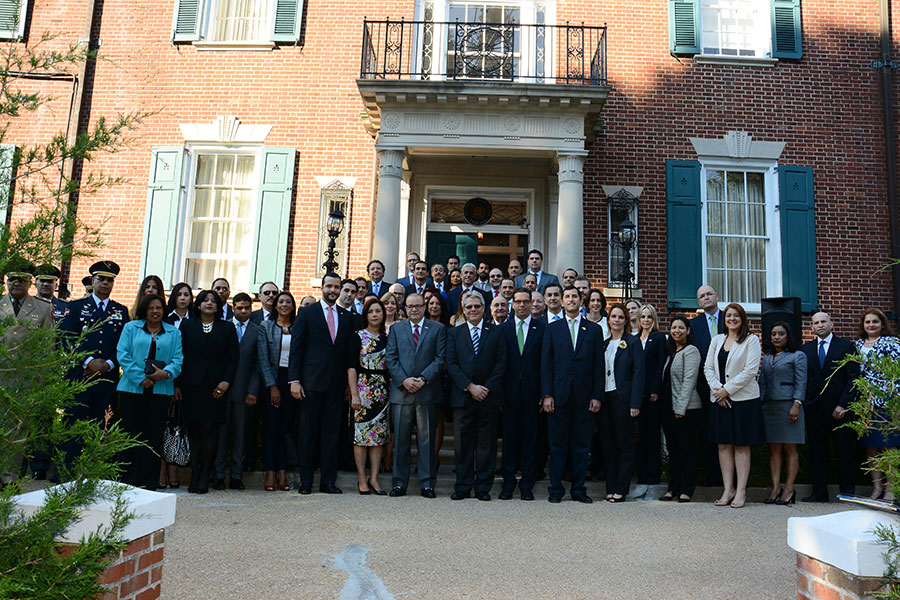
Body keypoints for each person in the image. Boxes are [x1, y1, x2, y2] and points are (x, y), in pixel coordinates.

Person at [288, 273, 356, 495]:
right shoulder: (307, 313)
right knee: (307, 434)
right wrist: (294, 380)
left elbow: (347, 355)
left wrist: (348, 385)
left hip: (336, 386)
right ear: (322, 287)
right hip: (310, 383)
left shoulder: (346, 317)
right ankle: (306, 482)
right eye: (329, 286)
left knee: (332, 434)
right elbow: (296, 349)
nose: (333, 290)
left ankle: (328, 481)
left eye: (337, 287)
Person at [59, 261, 130, 469]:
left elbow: (124, 344)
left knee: (101, 426)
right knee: (73, 424)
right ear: (92, 281)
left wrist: (108, 363)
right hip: (80, 376)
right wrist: (89, 361)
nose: (106, 283)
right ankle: (66, 470)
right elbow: (66, 338)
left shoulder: (121, 311)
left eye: (110, 280)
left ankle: (92, 470)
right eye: (101, 279)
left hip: (106, 380)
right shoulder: (76, 307)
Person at [541, 286, 605, 503]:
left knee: (581, 446)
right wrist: (547, 394)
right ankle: (556, 489)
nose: (570, 299)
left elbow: (598, 366)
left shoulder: (594, 330)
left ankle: (578, 490)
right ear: (561, 300)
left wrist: (597, 395)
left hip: (584, 397)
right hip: (558, 397)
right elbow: (546, 364)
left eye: (574, 296)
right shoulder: (552, 328)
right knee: (557, 445)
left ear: (581, 300)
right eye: (566, 296)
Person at [116, 294, 182, 490]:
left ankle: (147, 482)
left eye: (159, 308)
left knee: (153, 436)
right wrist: (141, 378)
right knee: (130, 433)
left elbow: (178, 360)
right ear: (145, 309)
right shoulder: (131, 328)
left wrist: (165, 373)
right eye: (152, 308)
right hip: (132, 390)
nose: (155, 311)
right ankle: (127, 479)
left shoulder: (174, 333)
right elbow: (123, 354)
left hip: (161, 390)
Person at [445, 291, 506, 501]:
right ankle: (462, 487)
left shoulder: (496, 332)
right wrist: (470, 387)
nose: (473, 310)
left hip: (488, 398)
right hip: (463, 397)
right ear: (463, 309)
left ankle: (483, 488)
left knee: (486, 445)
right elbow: (451, 364)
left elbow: (501, 363)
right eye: (469, 307)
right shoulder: (454, 333)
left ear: (483, 308)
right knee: (462, 445)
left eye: (476, 307)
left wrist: (485, 388)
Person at [176, 290, 239, 494]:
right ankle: (195, 474)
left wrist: (226, 382)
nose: (209, 303)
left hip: (217, 387)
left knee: (211, 430)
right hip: (192, 385)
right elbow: (180, 355)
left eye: (214, 301)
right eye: (205, 300)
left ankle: (205, 476)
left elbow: (233, 358)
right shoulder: (187, 325)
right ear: (199, 304)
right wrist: (177, 384)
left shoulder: (227, 327)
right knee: (194, 431)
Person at [385, 293, 446, 498]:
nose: (414, 310)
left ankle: (427, 483)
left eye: (418, 306)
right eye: (410, 306)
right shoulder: (396, 329)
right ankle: (399, 483)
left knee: (426, 441)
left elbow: (440, 358)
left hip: (427, 392)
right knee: (401, 441)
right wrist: (404, 380)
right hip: (402, 393)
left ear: (424, 307)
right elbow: (391, 358)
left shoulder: (437, 329)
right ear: (405, 307)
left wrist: (423, 379)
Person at [704, 302, 764, 509]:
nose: (732, 319)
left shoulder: (752, 340)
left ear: (742, 319)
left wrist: (726, 390)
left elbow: (750, 371)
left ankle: (741, 491)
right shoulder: (717, 340)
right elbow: (708, 368)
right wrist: (718, 390)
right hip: (719, 400)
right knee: (723, 444)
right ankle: (728, 489)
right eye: (729, 315)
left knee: (740, 444)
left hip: (743, 400)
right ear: (724, 319)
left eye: (736, 316)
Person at [800, 312, 858, 502]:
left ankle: (847, 493)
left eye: (823, 321)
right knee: (817, 452)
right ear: (812, 328)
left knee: (844, 451)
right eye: (816, 323)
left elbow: (853, 378)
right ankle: (819, 493)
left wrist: (843, 405)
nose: (820, 325)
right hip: (814, 409)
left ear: (831, 324)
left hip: (839, 410)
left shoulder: (846, 346)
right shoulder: (806, 349)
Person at [499, 288, 546, 500]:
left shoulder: (542, 329)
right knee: (509, 441)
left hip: (532, 393)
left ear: (531, 304)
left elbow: (546, 364)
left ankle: (527, 486)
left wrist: (544, 393)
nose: (521, 305)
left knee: (530, 441)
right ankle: (508, 485)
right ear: (513, 305)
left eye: (525, 302)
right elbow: (499, 364)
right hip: (508, 394)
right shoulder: (503, 329)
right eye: (517, 302)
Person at [213, 292, 259, 491]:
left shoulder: (258, 331)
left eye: (247, 308)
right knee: (220, 435)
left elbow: (258, 364)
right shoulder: (223, 327)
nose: (243, 311)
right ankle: (219, 475)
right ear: (232, 308)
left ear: (251, 309)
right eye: (239, 308)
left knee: (240, 435)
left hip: (243, 390)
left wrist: (252, 391)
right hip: (222, 389)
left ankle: (237, 476)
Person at [760, 321, 807, 506]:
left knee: (790, 447)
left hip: (789, 406)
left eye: (780, 334)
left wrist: (796, 404)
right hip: (770, 407)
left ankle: (789, 488)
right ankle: (775, 488)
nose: (776, 337)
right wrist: (759, 405)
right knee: (774, 449)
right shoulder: (766, 358)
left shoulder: (798, 355)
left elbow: (801, 381)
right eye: (773, 334)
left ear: (788, 336)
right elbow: (762, 383)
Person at [601, 303, 645, 502]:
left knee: (624, 444)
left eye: (620, 317)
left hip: (623, 399)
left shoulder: (633, 343)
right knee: (608, 444)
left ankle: (622, 488)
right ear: (608, 320)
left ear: (626, 321)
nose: (616, 320)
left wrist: (635, 403)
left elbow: (638, 374)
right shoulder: (604, 343)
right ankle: (610, 488)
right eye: (613, 316)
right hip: (605, 398)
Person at [855, 308, 900, 500]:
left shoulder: (893, 343)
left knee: (889, 447)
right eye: (867, 322)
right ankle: (876, 488)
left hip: (887, 401)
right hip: (866, 403)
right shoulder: (857, 345)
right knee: (871, 447)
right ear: (863, 326)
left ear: (882, 324)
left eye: (875, 322)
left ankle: (891, 488)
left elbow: (897, 374)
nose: (871, 325)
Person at [348, 297, 392, 495]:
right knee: (361, 437)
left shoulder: (388, 337)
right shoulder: (357, 336)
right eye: (371, 311)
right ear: (366, 315)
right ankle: (361, 478)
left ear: (383, 315)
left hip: (382, 392)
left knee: (378, 437)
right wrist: (355, 395)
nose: (375, 315)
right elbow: (351, 368)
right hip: (363, 388)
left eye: (378, 311)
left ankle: (374, 478)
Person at [257, 291, 298, 492]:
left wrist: (295, 381)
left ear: (293, 306)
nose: (284, 305)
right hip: (272, 382)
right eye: (280, 301)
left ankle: (283, 472)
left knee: (285, 429)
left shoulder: (298, 328)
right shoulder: (266, 327)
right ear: (275, 305)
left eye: (288, 302)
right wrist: (272, 386)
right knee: (271, 428)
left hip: (292, 382)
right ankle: (270, 473)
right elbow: (263, 359)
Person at [658, 316, 702, 503]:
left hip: (687, 409)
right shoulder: (670, 353)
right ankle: (672, 488)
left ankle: (686, 489)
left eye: (681, 328)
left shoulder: (691, 351)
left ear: (688, 330)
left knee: (687, 450)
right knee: (673, 451)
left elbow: (689, 382)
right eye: (674, 327)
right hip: (668, 409)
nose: (677, 331)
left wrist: (681, 408)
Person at [689, 284, 725, 487]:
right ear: (699, 302)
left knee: (727, 431)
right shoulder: (694, 325)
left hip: (729, 385)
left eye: (709, 294)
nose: (706, 298)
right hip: (703, 385)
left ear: (717, 296)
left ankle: (733, 477)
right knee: (706, 431)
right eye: (702, 296)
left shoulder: (730, 319)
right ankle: (713, 476)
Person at [634, 303, 666, 496]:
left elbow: (660, 364)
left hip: (652, 394)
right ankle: (641, 472)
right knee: (639, 434)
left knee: (652, 433)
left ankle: (653, 473)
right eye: (643, 317)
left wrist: (656, 389)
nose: (646, 320)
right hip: (637, 394)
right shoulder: (634, 339)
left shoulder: (659, 338)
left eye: (649, 317)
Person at [1, 260, 52, 331]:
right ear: (7, 282)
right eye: (12, 280)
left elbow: (48, 339)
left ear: (30, 283)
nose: (16, 284)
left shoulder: (43, 307)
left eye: (21, 280)